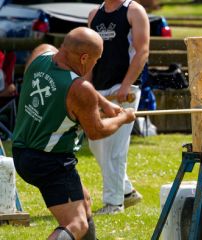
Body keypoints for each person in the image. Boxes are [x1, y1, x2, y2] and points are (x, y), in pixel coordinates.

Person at [12, 27, 136, 240]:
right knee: (76, 224)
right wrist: (123, 118)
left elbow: (76, 88)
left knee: (84, 202)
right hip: (50, 160)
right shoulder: (79, 89)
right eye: (96, 60)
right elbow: (97, 131)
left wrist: (104, 102)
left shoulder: (40, 55)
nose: (95, 64)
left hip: (22, 151)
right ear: (85, 57)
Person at [88, 0, 150, 214]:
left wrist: (125, 86)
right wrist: (86, 88)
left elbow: (142, 51)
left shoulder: (134, 11)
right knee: (96, 144)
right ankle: (125, 191)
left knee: (115, 148)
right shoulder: (94, 14)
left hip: (125, 89)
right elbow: (88, 58)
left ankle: (114, 204)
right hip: (99, 89)